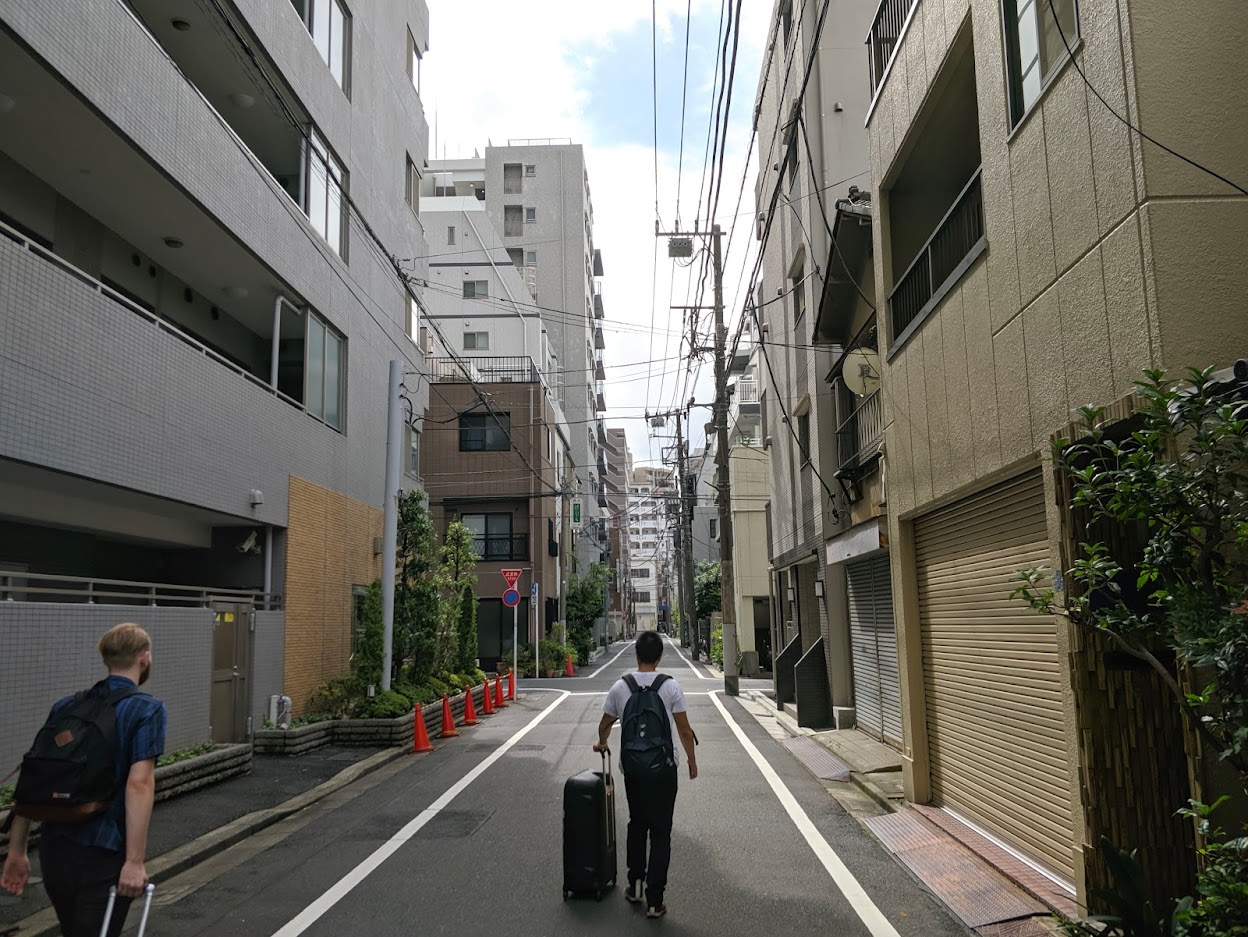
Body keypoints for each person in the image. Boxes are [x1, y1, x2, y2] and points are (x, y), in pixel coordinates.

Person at [1, 622, 167, 937]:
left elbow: (35, 775)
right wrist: (134, 861)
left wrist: (17, 850)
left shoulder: (67, 705)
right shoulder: (147, 709)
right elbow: (139, 783)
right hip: (105, 850)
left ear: (107, 660)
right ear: (144, 658)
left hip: (54, 848)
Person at [594, 630, 697, 920]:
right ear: (660, 657)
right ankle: (655, 901)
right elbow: (684, 729)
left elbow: (604, 724)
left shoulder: (620, 687)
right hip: (664, 769)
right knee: (661, 831)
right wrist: (691, 760)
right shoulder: (670, 686)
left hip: (634, 770)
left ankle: (635, 885)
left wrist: (602, 744)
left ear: (636, 655)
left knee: (638, 824)